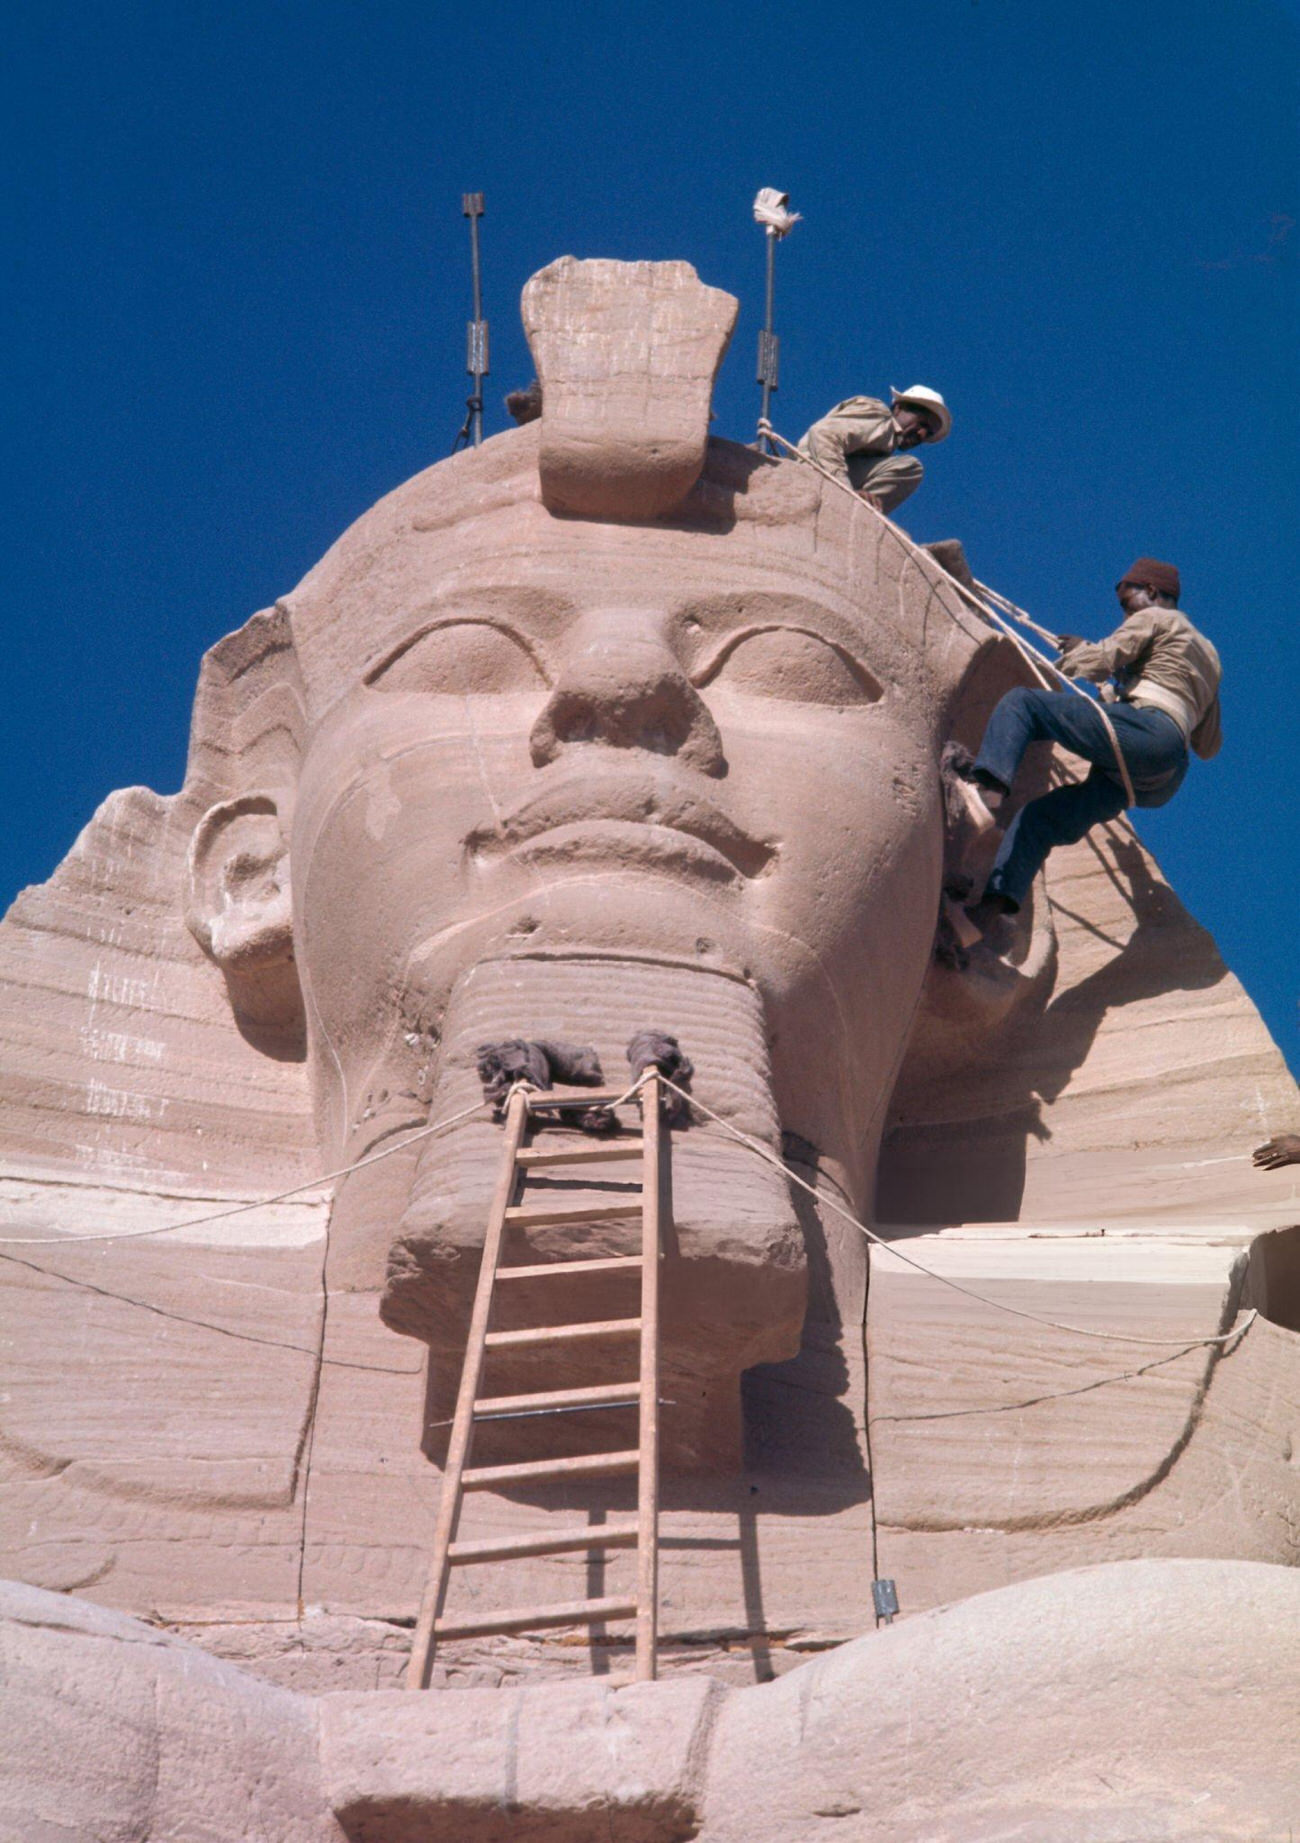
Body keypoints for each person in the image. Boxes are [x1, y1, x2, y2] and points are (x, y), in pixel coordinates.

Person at [960, 557, 1222, 920]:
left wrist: (1079, 652)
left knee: (1023, 704)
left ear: (1149, 590)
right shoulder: (1209, 656)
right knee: (1041, 820)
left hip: (1145, 735)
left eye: (1127, 602)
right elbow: (1208, 746)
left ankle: (981, 799)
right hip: (1164, 775)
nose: (1125, 614)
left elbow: (1102, 659)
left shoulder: (1155, 619)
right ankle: (988, 914)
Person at [796, 385, 951, 513]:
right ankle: (855, 510)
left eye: (929, 433)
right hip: (810, 471)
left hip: (825, 476)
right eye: (922, 423)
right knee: (911, 467)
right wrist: (844, 487)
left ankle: (860, 511)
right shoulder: (881, 417)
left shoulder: (886, 442)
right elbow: (824, 434)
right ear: (899, 408)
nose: (922, 434)